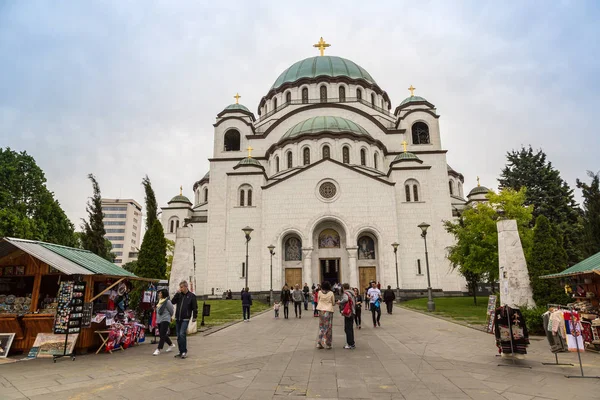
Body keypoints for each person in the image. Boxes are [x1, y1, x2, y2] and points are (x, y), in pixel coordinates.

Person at [171, 280, 198, 359]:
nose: (181, 289)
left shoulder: (191, 296)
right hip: (178, 318)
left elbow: (194, 308)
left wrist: (194, 317)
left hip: (185, 318)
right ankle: (180, 351)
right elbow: (173, 302)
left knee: (182, 334)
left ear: (186, 287)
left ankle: (184, 351)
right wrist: (177, 294)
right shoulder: (179, 295)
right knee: (178, 335)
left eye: (182, 287)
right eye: (180, 287)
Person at [153, 289, 176, 355]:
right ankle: (171, 344)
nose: (159, 294)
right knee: (162, 334)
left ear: (163, 294)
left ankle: (158, 349)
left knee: (162, 335)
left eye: (160, 293)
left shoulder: (167, 302)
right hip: (159, 319)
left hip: (165, 319)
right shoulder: (160, 301)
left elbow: (171, 310)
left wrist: (170, 317)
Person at [316, 281, 335, 349]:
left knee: (322, 327)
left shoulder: (319, 292)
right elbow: (333, 302)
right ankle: (328, 343)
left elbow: (318, 301)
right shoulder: (331, 293)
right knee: (328, 327)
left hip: (321, 310)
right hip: (328, 311)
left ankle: (319, 343)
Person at [338, 283, 356, 349]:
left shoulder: (346, 293)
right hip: (352, 311)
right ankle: (352, 343)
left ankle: (350, 343)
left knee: (347, 328)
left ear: (343, 288)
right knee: (350, 328)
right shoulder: (352, 293)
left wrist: (340, 302)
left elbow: (345, 299)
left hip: (349, 312)